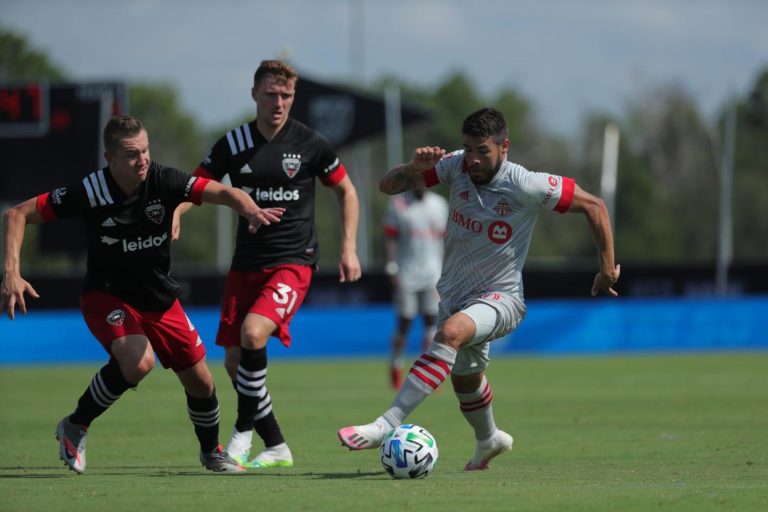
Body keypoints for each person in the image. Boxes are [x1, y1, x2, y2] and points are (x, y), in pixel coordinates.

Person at [0, 115, 286, 475]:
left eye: (146, 150)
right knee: (138, 362)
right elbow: (17, 214)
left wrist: (249, 208)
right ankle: (76, 424)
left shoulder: (164, 180)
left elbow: (223, 191)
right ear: (110, 157)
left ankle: (211, 452)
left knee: (201, 381)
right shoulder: (90, 191)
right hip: (107, 296)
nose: (143, 159)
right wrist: (11, 272)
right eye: (132, 154)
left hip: (158, 297)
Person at [338, 107, 620, 470]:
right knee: (466, 380)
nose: (472, 159)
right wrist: (412, 168)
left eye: (482, 151)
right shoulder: (454, 165)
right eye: (468, 149)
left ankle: (384, 424)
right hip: (455, 296)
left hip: (503, 298)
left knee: (449, 333)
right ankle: (489, 439)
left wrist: (607, 268)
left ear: (505, 146)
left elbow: (595, 206)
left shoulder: (526, 184)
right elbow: (387, 186)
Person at [174, 59, 362, 469]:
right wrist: (176, 212)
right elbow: (195, 186)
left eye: (286, 95)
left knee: (253, 333)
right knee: (234, 362)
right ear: (254, 94)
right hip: (246, 264)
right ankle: (276, 444)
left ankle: (241, 434)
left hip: (293, 261)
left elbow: (346, 191)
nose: (279, 103)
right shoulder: (233, 142)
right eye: (271, 94)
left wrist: (348, 248)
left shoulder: (311, 143)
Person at [382, 186, 447, 389]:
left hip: (433, 274)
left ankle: (429, 371)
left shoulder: (439, 204)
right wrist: (392, 267)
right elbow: (390, 237)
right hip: (406, 273)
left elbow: (445, 239)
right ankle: (396, 364)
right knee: (405, 322)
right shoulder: (398, 204)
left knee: (432, 322)